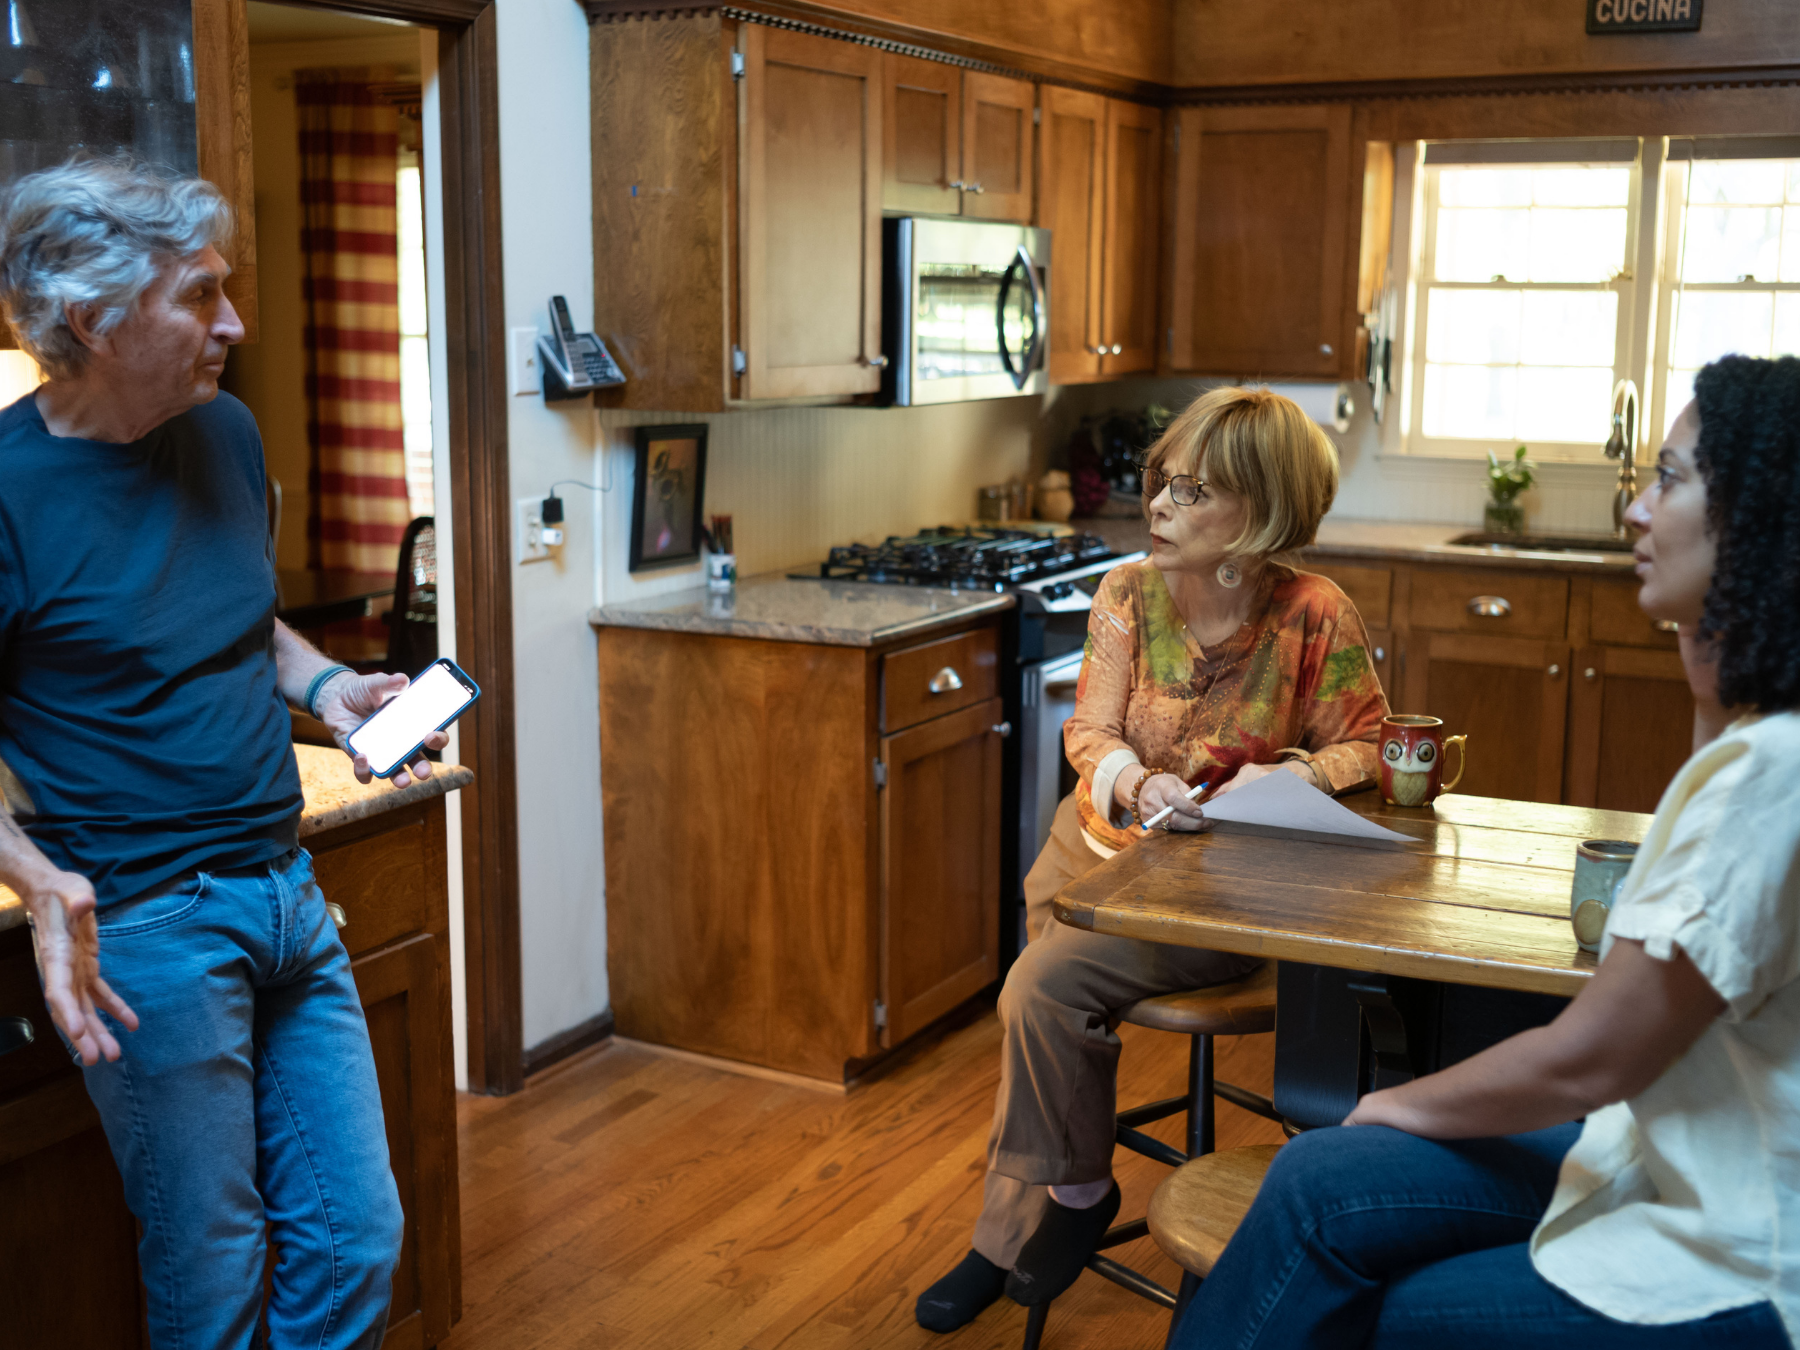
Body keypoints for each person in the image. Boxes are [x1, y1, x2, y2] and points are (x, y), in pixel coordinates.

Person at [1170, 354, 1800, 1350]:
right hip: (1666, 1155)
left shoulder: (1775, 775)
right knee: (1315, 1180)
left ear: (1761, 519)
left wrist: (1388, 1107)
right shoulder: (1756, 740)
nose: (1635, 511)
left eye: (1670, 480)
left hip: (1742, 1246)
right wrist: (1711, 636)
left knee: (1401, 1307)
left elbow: (1592, 1054)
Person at [0, 158, 447, 1347]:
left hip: (287, 888)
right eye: (201, 296)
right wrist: (33, 873)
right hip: (148, 927)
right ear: (93, 319)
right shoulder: (6, 492)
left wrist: (333, 688)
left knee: (358, 1242)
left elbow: (241, 617)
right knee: (212, 1278)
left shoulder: (226, 434)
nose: (234, 324)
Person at [916, 386, 1390, 1332]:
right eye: (1160, 484)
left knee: (1037, 995)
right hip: (1086, 852)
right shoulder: (1127, 590)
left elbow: (1372, 745)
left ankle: (1060, 1208)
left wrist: (1291, 769)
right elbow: (1089, 731)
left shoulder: (1313, 615)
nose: (1160, 508)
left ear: (1261, 511)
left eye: (1193, 491)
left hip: (1209, 890)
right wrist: (1136, 782)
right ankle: (1031, 1218)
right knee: (1043, 1020)